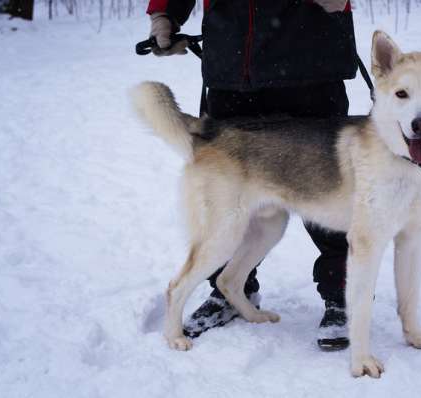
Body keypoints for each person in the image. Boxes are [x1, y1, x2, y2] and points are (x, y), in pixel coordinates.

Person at [146, 0, 358, 350]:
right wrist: (164, 13)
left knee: (330, 193)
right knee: (229, 209)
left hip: (309, 60)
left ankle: (344, 297)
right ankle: (231, 291)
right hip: (234, 65)